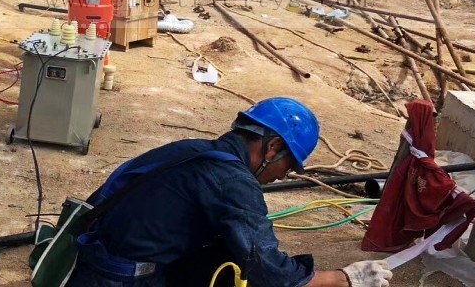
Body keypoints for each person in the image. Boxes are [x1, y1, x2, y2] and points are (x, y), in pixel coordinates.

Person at [67, 97, 393, 287]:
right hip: (118, 279)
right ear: (273, 147)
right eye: (289, 165)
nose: (284, 176)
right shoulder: (232, 182)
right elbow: (270, 271)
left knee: (226, 253)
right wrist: (343, 278)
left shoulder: (191, 150)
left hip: (88, 261)